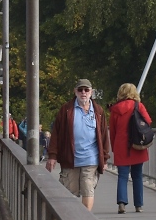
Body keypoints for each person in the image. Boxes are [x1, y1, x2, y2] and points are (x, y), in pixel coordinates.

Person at [46, 78, 110, 211]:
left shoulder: (98, 111)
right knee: (68, 191)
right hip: (71, 158)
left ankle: (86, 218)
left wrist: (104, 158)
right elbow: (56, 133)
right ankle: (70, 219)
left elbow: (104, 135)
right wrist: (52, 156)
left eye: (86, 90)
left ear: (91, 92)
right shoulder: (66, 110)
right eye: (80, 90)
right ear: (75, 92)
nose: (83, 93)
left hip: (91, 159)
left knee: (88, 189)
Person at [109, 83, 152, 214]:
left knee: (122, 176)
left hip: (121, 145)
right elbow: (148, 121)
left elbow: (113, 130)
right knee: (137, 175)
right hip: (137, 143)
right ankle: (138, 205)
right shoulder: (139, 106)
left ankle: (122, 203)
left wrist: (114, 147)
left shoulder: (115, 109)